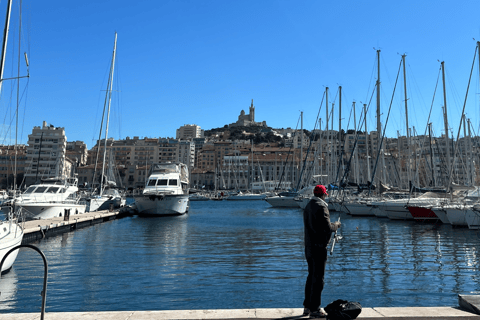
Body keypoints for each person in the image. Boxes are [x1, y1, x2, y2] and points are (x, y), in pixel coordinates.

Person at [303, 184, 341, 318]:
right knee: (319, 279)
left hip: (309, 247)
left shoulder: (308, 206)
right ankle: (315, 309)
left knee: (311, 276)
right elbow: (327, 227)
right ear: (324, 194)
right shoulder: (321, 206)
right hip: (319, 248)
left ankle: (307, 306)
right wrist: (336, 225)